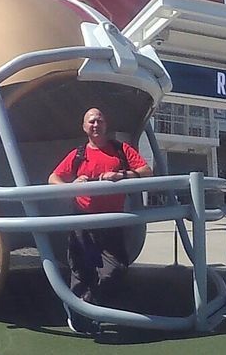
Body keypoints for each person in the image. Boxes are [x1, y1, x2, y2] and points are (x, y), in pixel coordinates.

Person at [48, 107, 152, 334]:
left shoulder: (121, 149)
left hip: (111, 221)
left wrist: (121, 175)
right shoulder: (78, 154)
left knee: (115, 268)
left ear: (106, 125)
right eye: (91, 121)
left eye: (99, 121)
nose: (96, 125)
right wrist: (72, 185)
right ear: (84, 127)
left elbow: (146, 172)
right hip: (82, 222)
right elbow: (53, 178)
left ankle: (87, 304)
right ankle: (79, 317)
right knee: (81, 270)